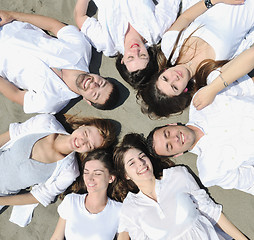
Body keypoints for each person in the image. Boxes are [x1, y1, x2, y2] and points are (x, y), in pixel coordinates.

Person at [113, 133, 248, 240]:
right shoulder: (131, 207)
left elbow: (212, 212)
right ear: (126, 175)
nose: (141, 163)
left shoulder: (177, 175)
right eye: (132, 163)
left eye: (142, 156)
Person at [137, 0, 253, 118]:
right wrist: (213, 89)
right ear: (184, 91)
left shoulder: (170, 46)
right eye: (175, 87)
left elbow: (186, 18)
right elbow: (251, 56)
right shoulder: (211, 76)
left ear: (163, 71)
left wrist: (216, 0)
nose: (174, 78)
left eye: (165, 78)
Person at [0, 113, 116, 227]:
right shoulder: (45, 122)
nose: (81, 142)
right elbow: (10, 135)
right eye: (85, 134)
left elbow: (39, 196)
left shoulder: (68, 172)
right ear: (82, 126)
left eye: (89, 145)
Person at [148, 79, 254, 195]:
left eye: (167, 133)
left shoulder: (200, 102)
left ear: (172, 124)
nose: (175, 139)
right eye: (170, 146)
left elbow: (247, 86)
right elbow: (249, 181)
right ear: (177, 154)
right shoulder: (210, 171)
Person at [0, 10, 118, 114]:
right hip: (6, 25)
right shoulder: (81, 48)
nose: (93, 85)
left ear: (88, 101)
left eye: (95, 94)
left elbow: (16, 95)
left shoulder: (50, 102)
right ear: (102, 76)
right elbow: (53, 26)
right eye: (101, 83)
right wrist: (12, 15)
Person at [74, 0, 186, 89]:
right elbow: (172, 3)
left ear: (122, 60)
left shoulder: (107, 43)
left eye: (130, 57)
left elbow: (80, 17)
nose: (135, 50)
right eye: (142, 55)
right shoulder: (157, 30)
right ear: (149, 54)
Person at [51, 149, 122, 240]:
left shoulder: (119, 211)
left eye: (97, 173)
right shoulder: (71, 201)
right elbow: (56, 238)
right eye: (86, 172)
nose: (89, 178)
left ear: (111, 178)